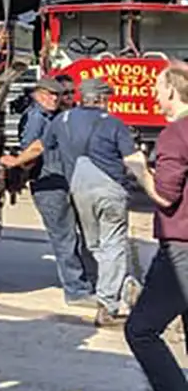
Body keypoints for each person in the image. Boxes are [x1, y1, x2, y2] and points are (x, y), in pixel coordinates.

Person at [46, 75, 159, 327]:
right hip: (110, 189)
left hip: (78, 187)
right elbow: (133, 160)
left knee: (95, 244)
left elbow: (48, 148)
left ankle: (117, 284)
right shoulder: (113, 123)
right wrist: (151, 188)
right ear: (101, 99)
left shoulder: (61, 120)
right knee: (114, 244)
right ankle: (108, 304)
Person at [126, 63, 188, 391]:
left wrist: (138, 171)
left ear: (174, 92)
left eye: (157, 88)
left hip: (180, 246)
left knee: (141, 330)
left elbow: (166, 196)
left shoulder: (175, 135)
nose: (153, 94)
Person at [1, 76, 94, 304]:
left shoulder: (51, 116)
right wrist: (18, 162)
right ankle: (76, 291)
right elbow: (32, 150)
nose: (55, 98)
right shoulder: (36, 117)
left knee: (73, 236)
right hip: (48, 184)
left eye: (58, 95)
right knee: (65, 237)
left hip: (60, 181)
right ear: (38, 94)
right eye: (50, 94)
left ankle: (86, 283)